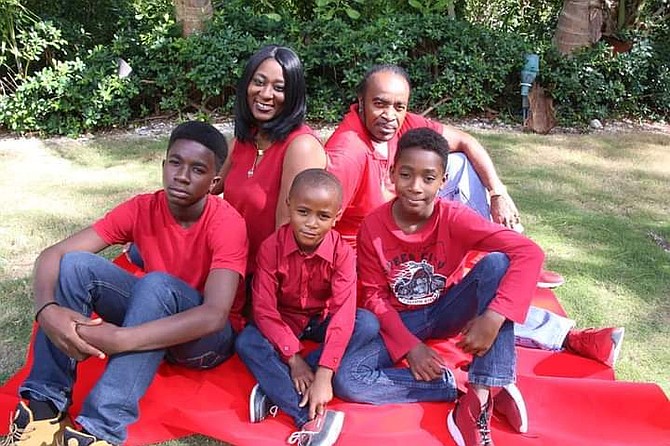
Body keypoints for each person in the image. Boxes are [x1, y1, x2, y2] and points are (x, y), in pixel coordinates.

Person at [4, 121, 248, 446]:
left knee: (157, 284)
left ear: (214, 181)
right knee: (76, 265)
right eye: (175, 163)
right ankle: (45, 409)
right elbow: (53, 254)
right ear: (163, 165)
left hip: (205, 343)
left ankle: (100, 431)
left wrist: (122, 338)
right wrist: (46, 311)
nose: (182, 175)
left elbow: (214, 315)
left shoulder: (227, 223)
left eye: (197, 169)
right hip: (155, 312)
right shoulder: (143, 208)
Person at [332, 127, 545, 446]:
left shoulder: (455, 217)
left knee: (498, 264)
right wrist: (410, 348)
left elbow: (529, 252)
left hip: (448, 308)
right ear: (391, 173)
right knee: (347, 379)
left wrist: (494, 316)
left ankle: (481, 394)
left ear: (443, 182)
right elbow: (374, 297)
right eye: (406, 174)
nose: (415, 187)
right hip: (401, 321)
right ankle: (450, 386)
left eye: (428, 178)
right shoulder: (373, 227)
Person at [324, 64, 564, 288]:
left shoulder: (404, 123)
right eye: (380, 104)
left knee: (459, 162)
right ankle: (487, 259)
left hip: (404, 211)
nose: (389, 115)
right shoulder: (347, 153)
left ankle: (497, 251)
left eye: (399, 106)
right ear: (361, 102)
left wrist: (498, 192)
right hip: (373, 248)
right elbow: (321, 225)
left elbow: (464, 140)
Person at [235, 169, 379, 446]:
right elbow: (264, 309)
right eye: (303, 212)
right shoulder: (270, 248)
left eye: (323, 216)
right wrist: (294, 359)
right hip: (283, 320)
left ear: (337, 217)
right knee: (247, 341)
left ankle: (273, 384)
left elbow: (343, 313)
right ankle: (307, 418)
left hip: (319, 319)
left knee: (367, 324)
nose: (311, 223)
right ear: (288, 204)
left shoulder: (343, 254)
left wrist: (324, 374)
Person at [217, 44, 326, 277]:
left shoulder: (301, 147)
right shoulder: (246, 138)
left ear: (293, 95)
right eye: (258, 82)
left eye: (279, 87)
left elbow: (286, 237)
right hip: (226, 265)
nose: (265, 94)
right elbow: (204, 187)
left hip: (266, 280)